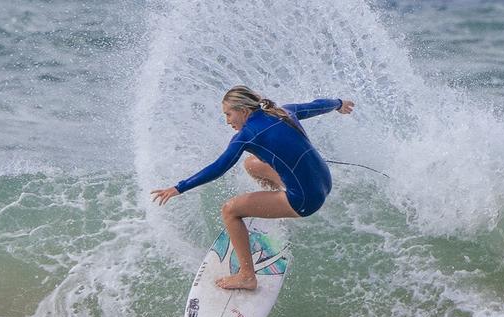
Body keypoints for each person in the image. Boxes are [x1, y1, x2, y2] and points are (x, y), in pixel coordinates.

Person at [151, 85, 355, 290]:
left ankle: (247, 276)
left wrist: (179, 187)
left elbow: (219, 167)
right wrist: (339, 104)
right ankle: (278, 204)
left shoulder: (247, 135)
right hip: (324, 182)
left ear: (244, 111)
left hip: (305, 200)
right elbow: (317, 106)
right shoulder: (284, 111)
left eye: (229, 114)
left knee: (229, 210)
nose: (227, 121)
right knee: (252, 164)